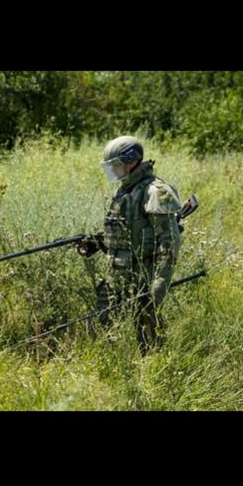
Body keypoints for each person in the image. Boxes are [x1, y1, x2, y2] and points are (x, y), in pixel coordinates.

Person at [78, 136, 183, 355]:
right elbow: (126, 232)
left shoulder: (155, 191)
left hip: (142, 274)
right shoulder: (125, 190)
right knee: (101, 323)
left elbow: (169, 242)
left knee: (148, 336)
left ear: (131, 161)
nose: (113, 171)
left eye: (116, 165)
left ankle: (155, 372)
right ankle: (110, 366)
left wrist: (160, 283)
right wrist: (96, 242)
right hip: (116, 273)